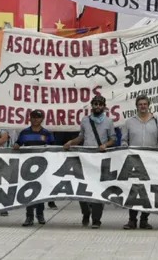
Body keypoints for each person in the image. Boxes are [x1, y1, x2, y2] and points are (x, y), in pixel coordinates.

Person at [63, 95, 116, 229]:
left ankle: (96, 219)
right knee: (82, 187)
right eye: (95, 104)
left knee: (98, 188)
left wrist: (106, 145)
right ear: (92, 106)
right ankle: (86, 212)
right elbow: (81, 136)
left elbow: (113, 139)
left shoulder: (109, 121)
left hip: (100, 158)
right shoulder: (85, 120)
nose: (97, 106)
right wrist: (71, 142)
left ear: (104, 106)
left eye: (100, 104)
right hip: (85, 157)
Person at [13, 109, 54, 226]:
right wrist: (16, 145)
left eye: (38, 117)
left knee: (40, 191)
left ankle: (40, 215)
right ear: (29, 118)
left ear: (42, 119)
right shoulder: (24, 132)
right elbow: (18, 143)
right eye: (33, 117)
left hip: (42, 167)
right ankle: (29, 216)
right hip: (27, 167)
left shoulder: (47, 133)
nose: (36, 119)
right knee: (28, 192)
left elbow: (53, 148)